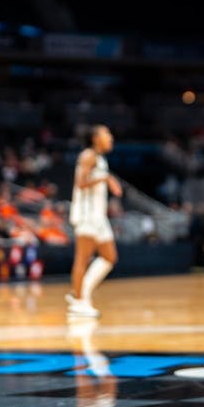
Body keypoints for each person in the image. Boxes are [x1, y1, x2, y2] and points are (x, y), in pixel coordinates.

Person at [66, 124, 122, 318]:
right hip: (86, 215)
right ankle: (79, 302)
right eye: (107, 133)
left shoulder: (100, 159)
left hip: (99, 217)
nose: (111, 137)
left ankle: (80, 293)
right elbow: (81, 183)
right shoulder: (88, 155)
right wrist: (105, 179)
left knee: (109, 257)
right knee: (82, 258)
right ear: (95, 138)